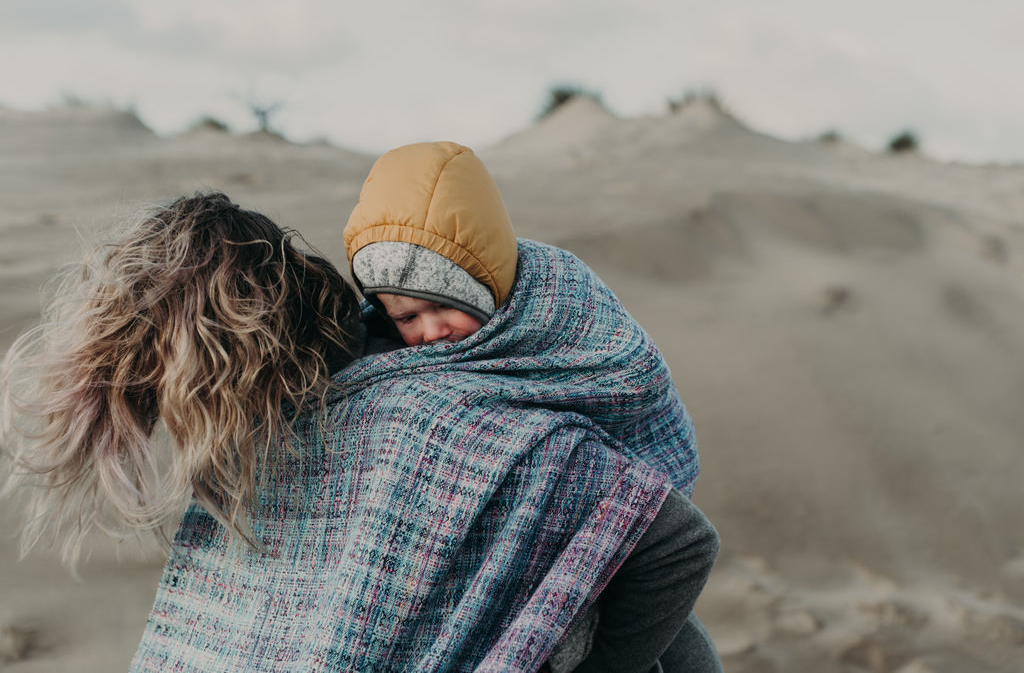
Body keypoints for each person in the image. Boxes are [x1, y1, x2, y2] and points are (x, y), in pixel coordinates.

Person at [1, 191, 717, 671]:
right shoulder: (283, 425)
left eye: (167, 373)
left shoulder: (436, 419)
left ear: (226, 352)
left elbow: (676, 541)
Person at [343, 141, 722, 671]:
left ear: (487, 283)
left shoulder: (568, 315)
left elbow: (638, 399)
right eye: (407, 317)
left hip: (620, 567)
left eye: (446, 306)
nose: (431, 333)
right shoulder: (385, 373)